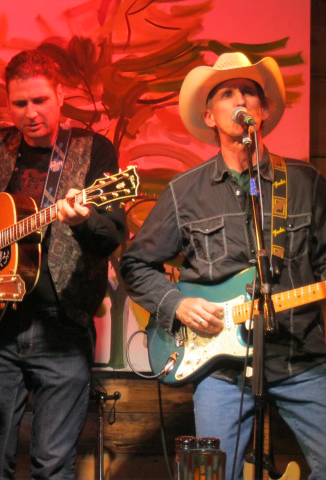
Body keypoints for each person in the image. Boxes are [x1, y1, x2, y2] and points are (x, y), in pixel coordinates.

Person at [0, 49, 126, 479]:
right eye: (20, 103)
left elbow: (112, 234)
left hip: (63, 328)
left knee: (53, 467)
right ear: (8, 104)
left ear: (60, 96)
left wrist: (83, 220)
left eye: (40, 100)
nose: (31, 113)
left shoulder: (93, 150)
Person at [121, 52, 326, 480]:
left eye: (249, 92)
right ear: (210, 116)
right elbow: (136, 264)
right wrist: (176, 304)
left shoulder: (304, 182)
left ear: (263, 111)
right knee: (210, 476)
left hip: (300, 360)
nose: (241, 100)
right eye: (227, 93)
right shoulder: (184, 192)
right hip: (222, 371)